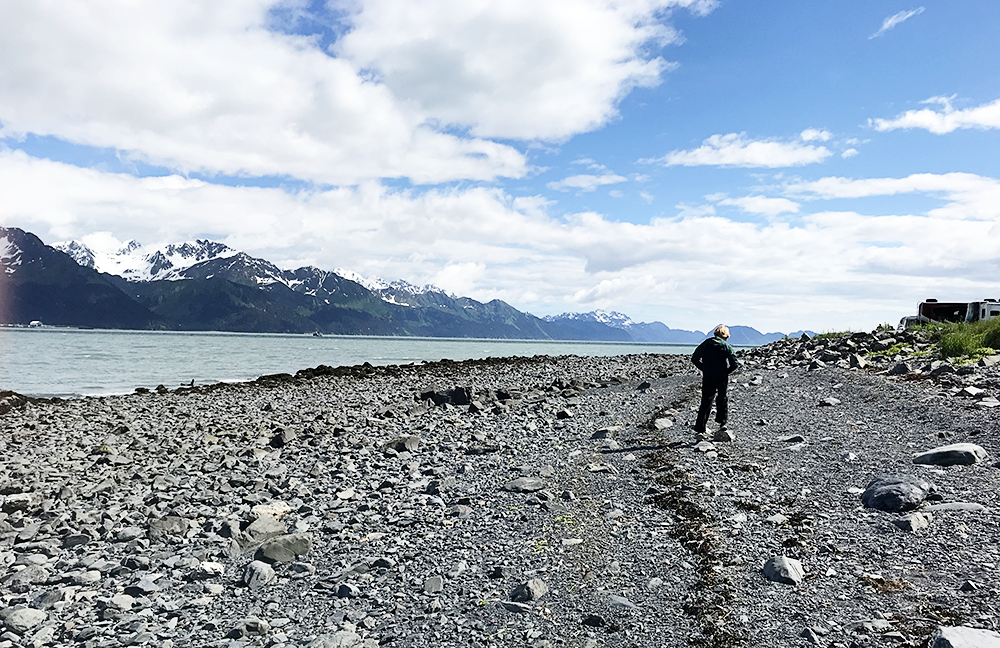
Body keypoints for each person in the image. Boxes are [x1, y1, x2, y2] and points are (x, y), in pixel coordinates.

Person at [691, 324, 740, 435]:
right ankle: (722, 423)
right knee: (722, 398)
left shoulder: (706, 344)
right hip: (722, 376)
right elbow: (735, 364)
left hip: (708, 376)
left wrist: (704, 368)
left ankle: (700, 427)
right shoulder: (726, 346)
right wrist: (726, 372)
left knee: (706, 400)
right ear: (726, 335)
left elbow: (694, 358)